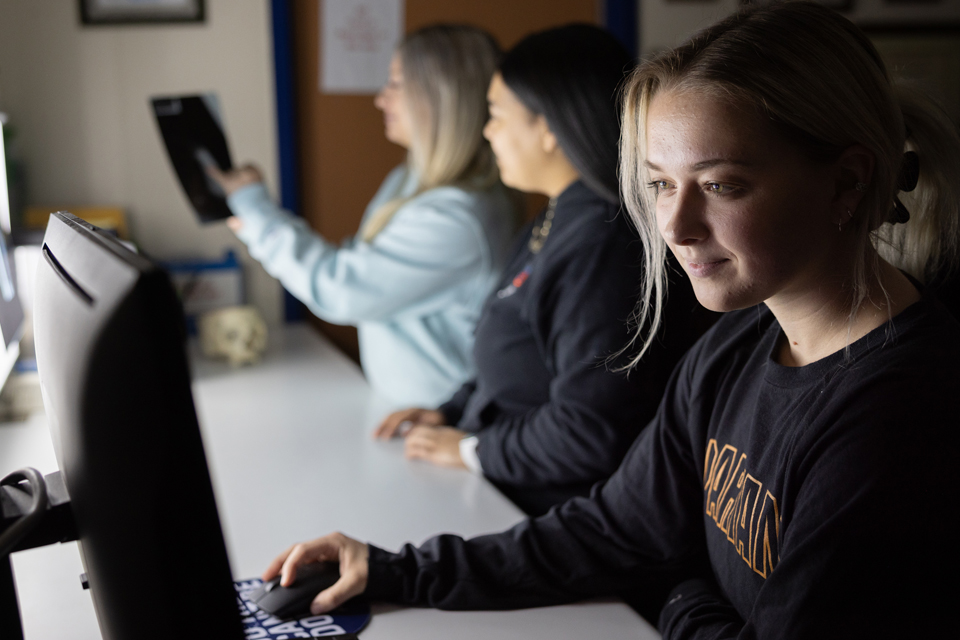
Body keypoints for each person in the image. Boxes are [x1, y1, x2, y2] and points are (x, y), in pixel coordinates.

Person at [260, 3, 960, 636]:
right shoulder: (741, 343)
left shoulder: (901, 412)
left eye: (721, 185)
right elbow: (617, 528)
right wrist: (395, 571)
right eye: (660, 184)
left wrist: (679, 592)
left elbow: (666, 563)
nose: (676, 226)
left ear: (846, 182)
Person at [373, 24, 711, 516]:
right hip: (506, 490)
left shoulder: (602, 245)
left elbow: (588, 431)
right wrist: (451, 411)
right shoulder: (556, 216)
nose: (487, 133)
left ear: (549, 128)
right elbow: (520, 356)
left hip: (560, 514)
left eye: (496, 116)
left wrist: (472, 450)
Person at [210, 25, 518, 407]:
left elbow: (341, 289)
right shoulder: (409, 179)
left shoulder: (457, 218)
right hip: (401, 411)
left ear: (438, 98)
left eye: (394, 84)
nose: (379, 99)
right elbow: (360, 265)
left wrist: (257, 211)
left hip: (439, 421)